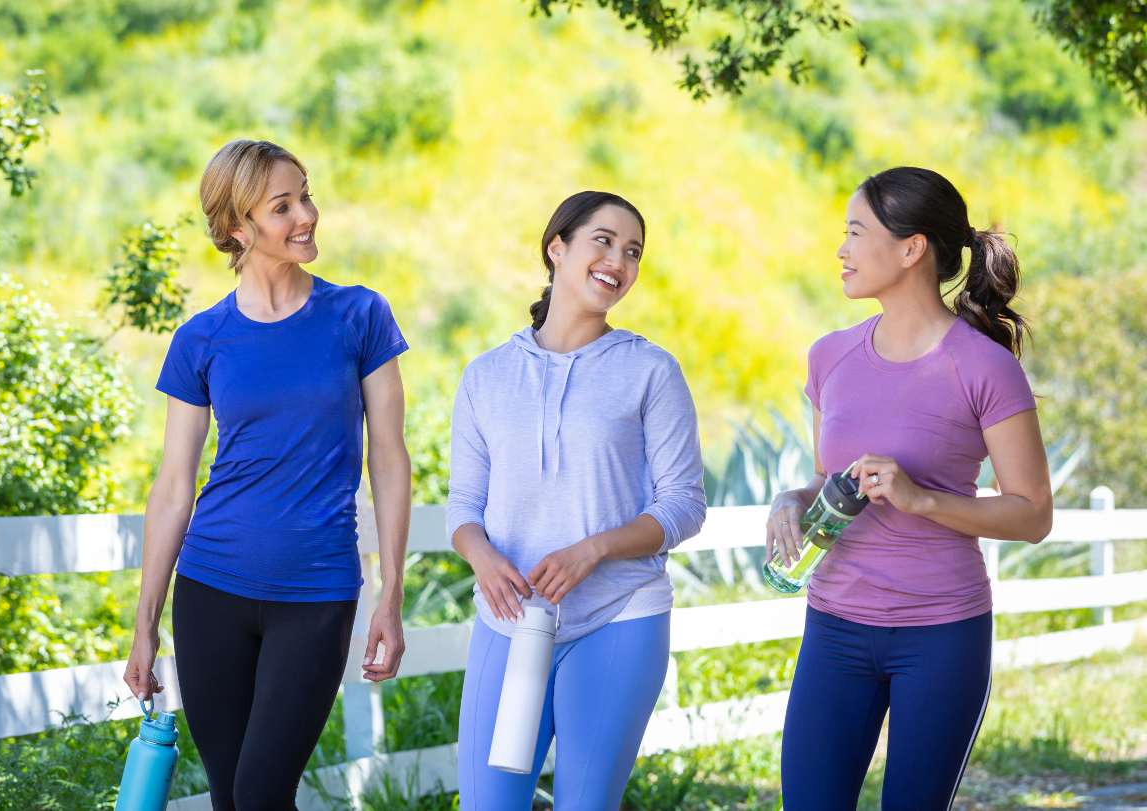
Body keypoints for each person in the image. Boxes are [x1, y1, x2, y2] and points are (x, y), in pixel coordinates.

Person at [122, 139, 412, 810]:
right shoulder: (202, 338)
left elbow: (389, 458)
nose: (306, 214)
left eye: (305, 195)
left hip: (316, 593)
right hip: (210, 589)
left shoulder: (359, 315)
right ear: (235, 228)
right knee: (235, 799)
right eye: (282, 206)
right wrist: (145, 619)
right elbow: (174, 486)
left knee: (259, 794)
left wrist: (391, 591)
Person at [770, 166, 1053, 810]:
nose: (841, 250)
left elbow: (1033, 513)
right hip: (834, 627)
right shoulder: (830, 355)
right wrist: (792, 501)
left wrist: (921, 499)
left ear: (911, 247)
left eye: (855, 232)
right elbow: (828, 478)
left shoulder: (984, 367)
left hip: (941, 635)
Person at [448, 191, 707, 810]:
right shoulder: (486, 375)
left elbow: (684, 503)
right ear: (556, 247)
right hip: (508, 621)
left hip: (621, 616)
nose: (618, 259)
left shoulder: (651, 371)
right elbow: (463, 505)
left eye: (633, 251)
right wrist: (482, 558)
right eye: (604, 240)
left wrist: (594, 549)